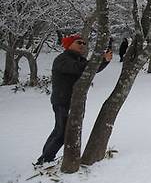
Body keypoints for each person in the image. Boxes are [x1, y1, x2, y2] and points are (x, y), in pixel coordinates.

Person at [35, 34, 112, 165]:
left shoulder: (78, 59)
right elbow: (80, 68)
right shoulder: (63, 59)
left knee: (66, 130)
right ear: (69, 44)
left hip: (75, 102)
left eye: (84, 43)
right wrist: (100, 59)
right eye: (79, 43)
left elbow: (91, 70)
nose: (82, 45)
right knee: (62, 131)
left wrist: (105, 61)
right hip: (63, 101)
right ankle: (45, 160)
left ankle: (48, 158)